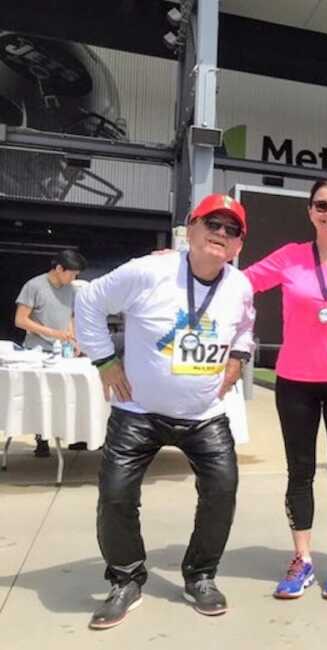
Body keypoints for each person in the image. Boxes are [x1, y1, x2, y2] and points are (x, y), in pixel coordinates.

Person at [75, 194, 255, 629]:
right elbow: (89, 302)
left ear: (238, 246)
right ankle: (125, 577)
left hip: (203, 416)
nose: (221, 234)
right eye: (213, 223)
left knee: (222, 489)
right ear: (190, 229)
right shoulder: (148, 271)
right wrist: (104, 359)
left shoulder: (239, 285)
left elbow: (247, 326)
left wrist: (238, 360)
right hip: (138, 411)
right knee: (116, 493)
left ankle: (200, 574)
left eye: (232, 230)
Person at [243, 179, 327, 600]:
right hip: (295, 381)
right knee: (300, 470)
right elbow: (241, 282)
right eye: (322, 205)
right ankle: (302, 558)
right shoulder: (289, 257)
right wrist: (180, 263)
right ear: (310, 212)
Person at [15, 248, 87, 457]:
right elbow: (21, 320)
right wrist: (52, 332)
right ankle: (41, 438)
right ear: (58, 268)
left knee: (67, 395)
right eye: (72, 273)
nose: (74, 278)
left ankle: (72, 436)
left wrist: (74, 339)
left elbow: (71, 317)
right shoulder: (34, 286)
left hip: (62, 350)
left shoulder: (72, 290)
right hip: (37, 350)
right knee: (41, 397)